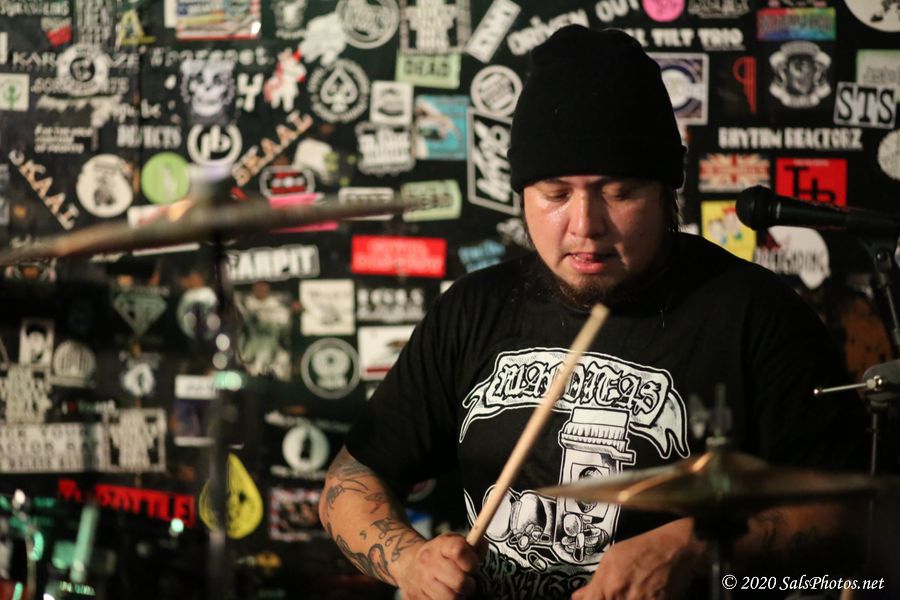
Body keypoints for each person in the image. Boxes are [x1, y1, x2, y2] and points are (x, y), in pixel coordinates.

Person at [320, 25, 867, 599]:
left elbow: (848, 510)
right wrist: (408, 561)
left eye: (618, 191)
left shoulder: (756, 315)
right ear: (522, 194)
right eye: (555, 194)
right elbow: (350, 481)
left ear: (666, 190)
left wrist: (693, 543)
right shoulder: (473, 309)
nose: (585, 225)